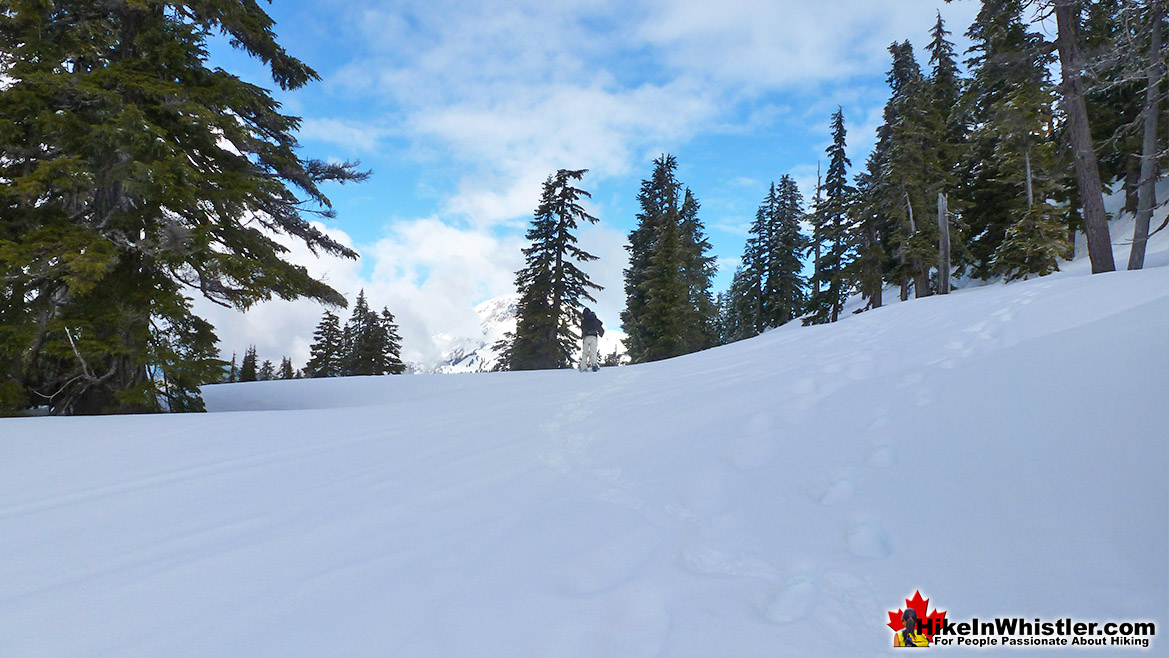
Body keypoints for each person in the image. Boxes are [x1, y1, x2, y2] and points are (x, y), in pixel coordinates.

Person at [580, 307, 604, 372]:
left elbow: (583, 329)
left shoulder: (584, 320)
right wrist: (601, 333)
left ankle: (583, 366)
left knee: (585, 352)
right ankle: (594, 365)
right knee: (593, 352)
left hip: (586, 337)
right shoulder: (594, 318)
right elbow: (599, 325)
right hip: (593, 337)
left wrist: (582, 336)